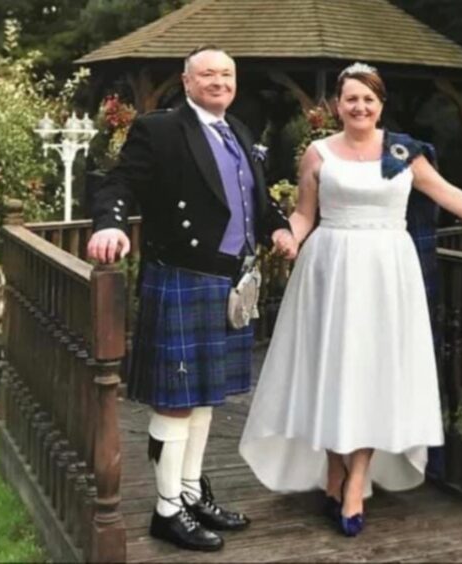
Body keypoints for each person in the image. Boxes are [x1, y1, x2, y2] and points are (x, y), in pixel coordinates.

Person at [239, 63, 462, 537]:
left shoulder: (403, 153)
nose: (360, 107)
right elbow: (304, 214)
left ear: (381, 104)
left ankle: (356, 481)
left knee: (373, 372)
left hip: (387, 272)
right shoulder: (318, 154)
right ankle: (336, 468)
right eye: (351, 99)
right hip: (330, 269)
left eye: (369, 99)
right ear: (336, 105)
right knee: (334, 371)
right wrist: (287, 237)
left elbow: (448, 194)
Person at [87, 45, 297, 552]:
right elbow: (120, 182)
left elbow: (256, 200)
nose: (218, 81)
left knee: (204, 398)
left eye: (227, 74)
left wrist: (280, 228)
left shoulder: (240, 131)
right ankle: (166, 511)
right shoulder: (160, 129)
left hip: (229, 280)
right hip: (182, 274)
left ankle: (189, 492)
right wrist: (111, 225)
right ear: (186, 81)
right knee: (176, 402)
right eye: (207, 74)